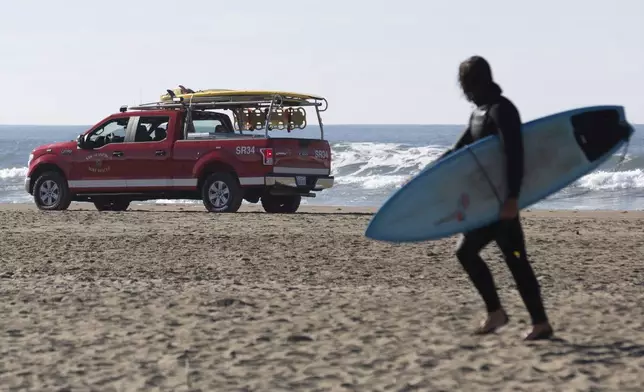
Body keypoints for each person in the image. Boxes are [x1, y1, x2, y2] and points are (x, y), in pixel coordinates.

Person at [441, 55, 553, 341]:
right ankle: (530, 321)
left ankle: (505, 315)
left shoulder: (502, 111)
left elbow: (515, 154)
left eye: (463, 82)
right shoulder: (480, 113)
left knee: (481, 254)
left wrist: (512, 199)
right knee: (512, 260)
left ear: (471, 82)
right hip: (488, 205)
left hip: (501, 204)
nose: (462, 89)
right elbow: (458, 152)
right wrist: (423, 177)